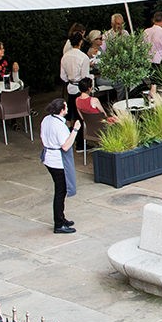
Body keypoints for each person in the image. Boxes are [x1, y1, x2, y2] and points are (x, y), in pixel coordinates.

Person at [40, 98, 80, 234]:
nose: (67, 109)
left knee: (60, 190)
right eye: (66, 107)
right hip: (57, 161)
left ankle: (61, 218)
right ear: (62, 110)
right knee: (60, 191)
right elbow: (66, 146)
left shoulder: (46, 119)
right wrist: (75, 130)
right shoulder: (60, 126)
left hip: (48, 157)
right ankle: (58, 223)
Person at [60, 31, 90, 121]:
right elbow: (85, 77)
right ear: (80, 42)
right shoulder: (84, 57)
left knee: (70, 112)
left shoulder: (65, 56)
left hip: (70, 87)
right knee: (79, 116)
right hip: (80, 89)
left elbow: (63, 76)